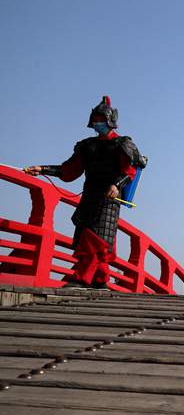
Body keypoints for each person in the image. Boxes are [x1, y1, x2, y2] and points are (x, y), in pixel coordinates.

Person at [25, 96, 146, 289]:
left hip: (109, 197)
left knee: (96, 238)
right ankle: (100, 279)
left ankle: (82, 277)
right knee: (86, 235)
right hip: (90, 195)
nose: (97, 123)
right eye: (95, 119)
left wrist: (116, 185)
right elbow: (69, 170)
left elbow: (129, 171)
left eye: (101, 119)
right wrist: (42, 169)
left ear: (109, 120)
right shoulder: (87, 146)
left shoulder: (122, 144)